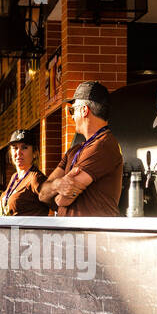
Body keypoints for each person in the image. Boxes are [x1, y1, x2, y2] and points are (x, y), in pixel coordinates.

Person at [38, 81, 124, 217]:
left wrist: (56, 188)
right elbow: (42, 194)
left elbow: (63, 200)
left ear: (84, 110)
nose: (71, 116)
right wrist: (57, 185)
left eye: (72, 110)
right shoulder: (74, 150)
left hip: (93, 235)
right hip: (73, 235)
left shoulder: (102, 145)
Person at [1, 131, 50, 216]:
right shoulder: (14, 176)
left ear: (34, 153)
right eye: (15, 148)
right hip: (12, 228)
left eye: (24, 147)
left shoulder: (36, 178)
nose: (18, 153)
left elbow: (55, 206)